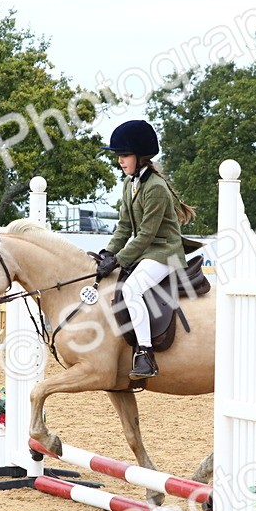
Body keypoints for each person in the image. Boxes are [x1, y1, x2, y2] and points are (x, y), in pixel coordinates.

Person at [95, 120, 196, 379]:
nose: (120, 160)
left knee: (131, 289)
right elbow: (125, 226)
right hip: (145, 251)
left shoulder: (156, 189)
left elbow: (145, 235)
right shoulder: (130, 184)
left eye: (125, 155)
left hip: (164, 252)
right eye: (118, 156)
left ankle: (145, 354)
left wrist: (119, 259)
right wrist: (108, 252)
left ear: (141, 157)